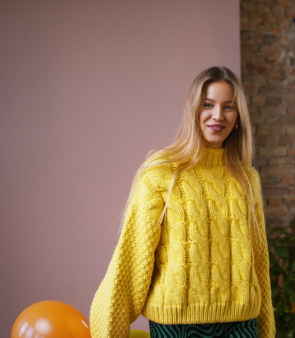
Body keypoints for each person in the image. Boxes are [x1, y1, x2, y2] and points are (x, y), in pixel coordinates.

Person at [90, 66, 275, 337]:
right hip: (176, 325)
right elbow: (133, 255)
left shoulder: (248, 178)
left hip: (243, 324)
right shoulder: (161, 172)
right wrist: (111, 330)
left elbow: (259, 261)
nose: (217, 115)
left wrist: (267, 329)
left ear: (238, 117)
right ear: (193, 111)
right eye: (207, 105)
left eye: (229, 107)